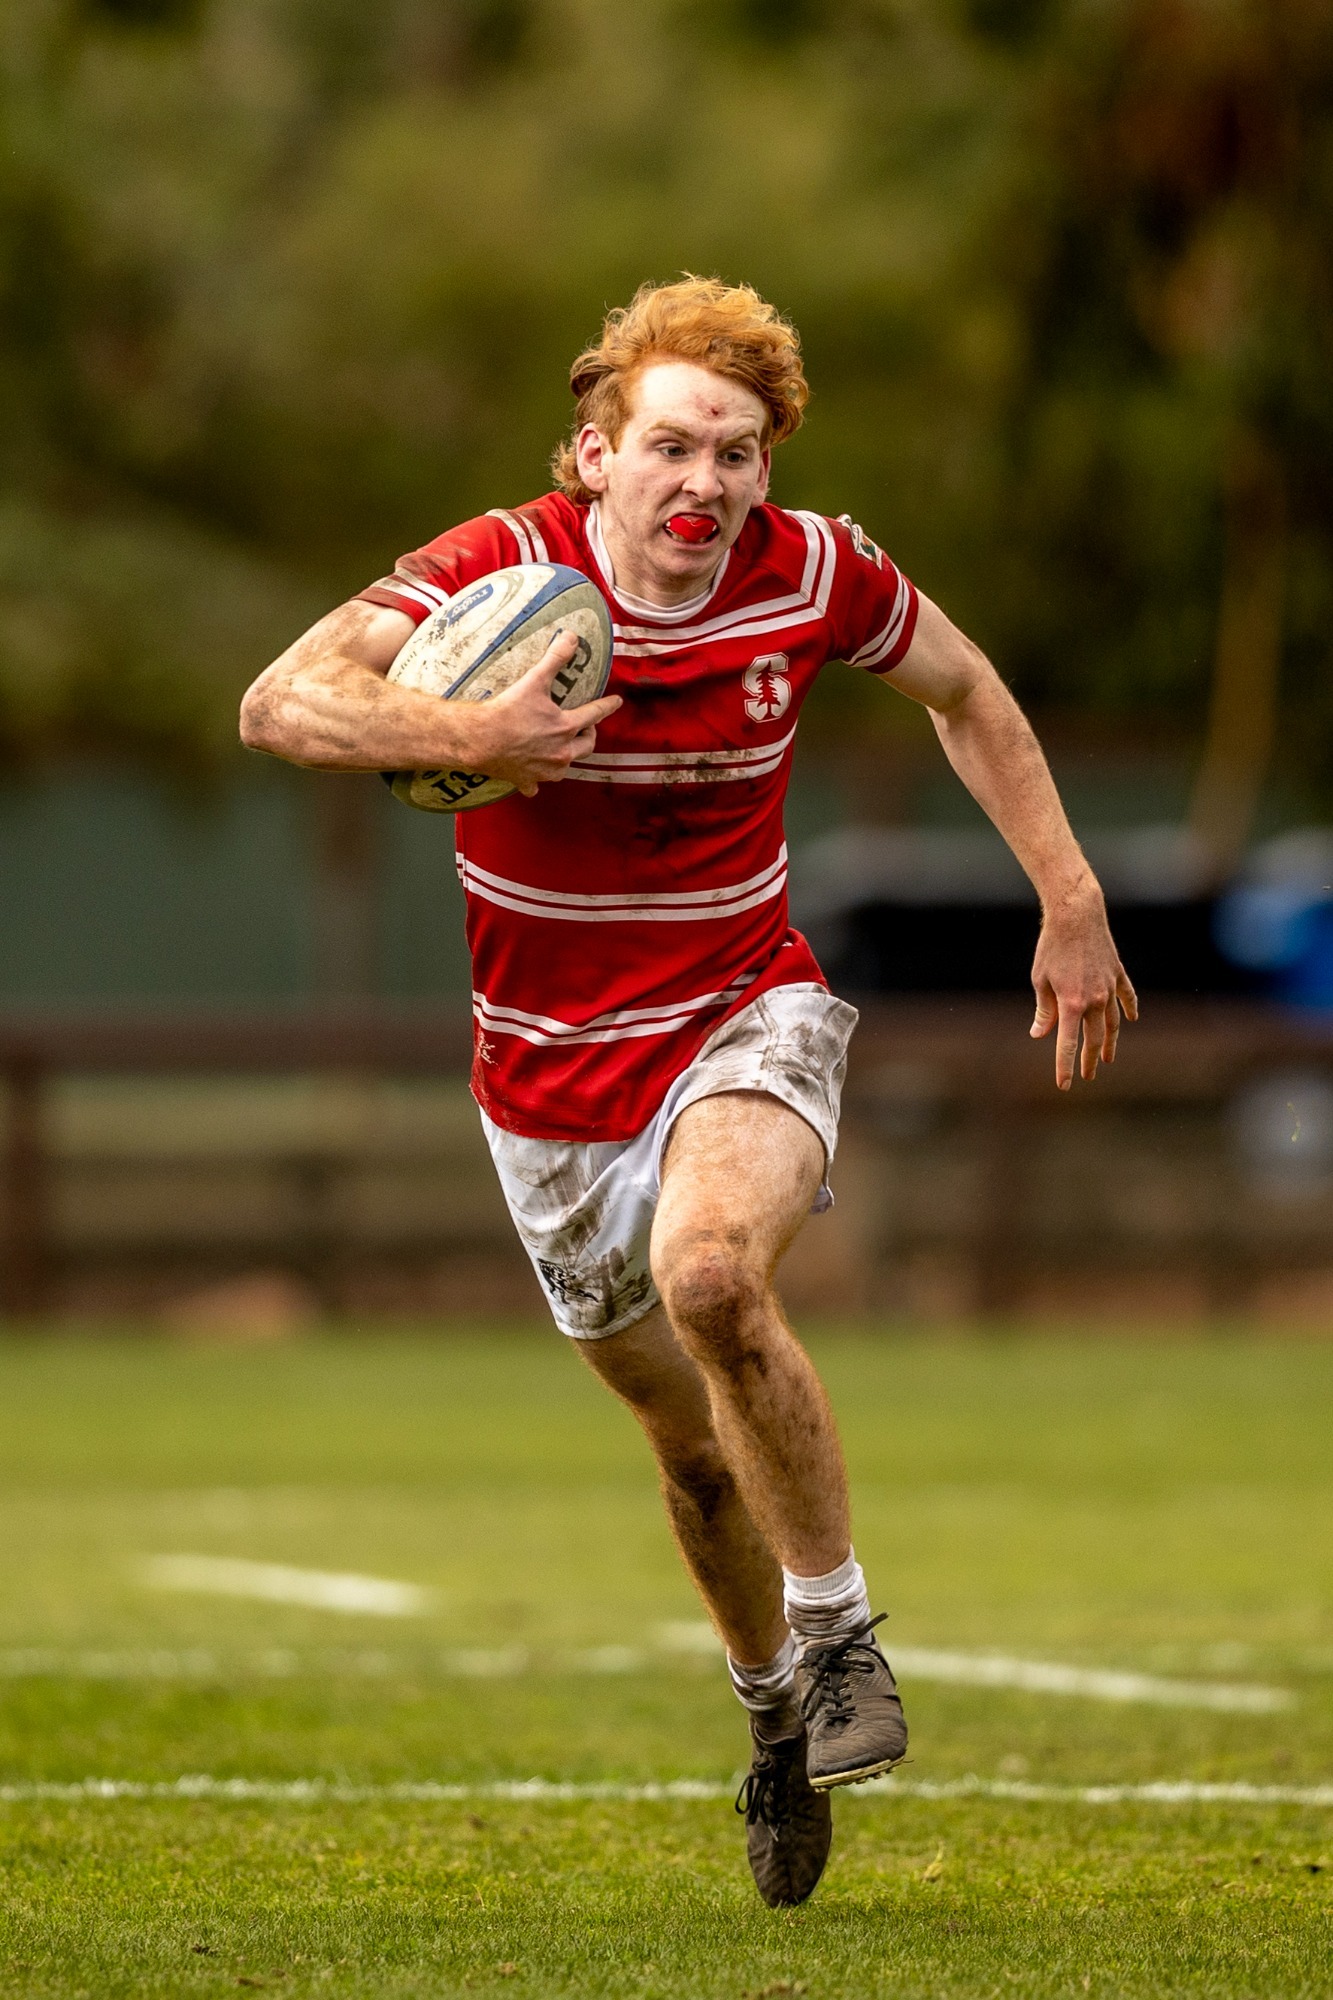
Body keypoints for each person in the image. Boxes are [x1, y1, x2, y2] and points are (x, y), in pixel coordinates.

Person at [239, 276, 1136, 1909]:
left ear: (764, 474)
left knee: (714, 1275)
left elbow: (968, 695)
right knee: (689, 1455)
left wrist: (1066, 899)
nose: (704, 482)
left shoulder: (815, 572)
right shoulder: (500, 566)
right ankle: (774, 1721)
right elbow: (280, 700)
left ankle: (842, 1634)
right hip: (543, 1085)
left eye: (736, 452)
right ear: (594, 452)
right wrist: (465, 725)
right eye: (669, 445)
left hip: (746, 1012)